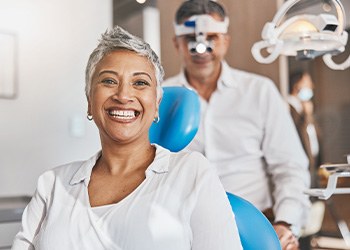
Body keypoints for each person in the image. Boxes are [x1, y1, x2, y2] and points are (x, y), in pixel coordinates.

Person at [11, 26, 242, 250]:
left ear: (157, 105)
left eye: (140, 82)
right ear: (90, 101)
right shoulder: (52, 184)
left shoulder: (192, 172)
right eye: (109, 81)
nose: (123, 95)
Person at [162, 0, 311, 249]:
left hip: (258, 226)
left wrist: (286, 222)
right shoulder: (161, 98)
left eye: (212, 37)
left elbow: (290, 166)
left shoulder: (259, 91)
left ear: (226, 41)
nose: (202, 48)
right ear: (176, 43)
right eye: (190, 38)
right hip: (185, 230)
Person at [288, 71, 321, 188]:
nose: (312, 86)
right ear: (296, 85)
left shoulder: (305, 107)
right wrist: (306, 115)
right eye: (307, 83)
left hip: (311, 163)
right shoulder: (288, 108)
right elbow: (296, 133)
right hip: (298, 165)